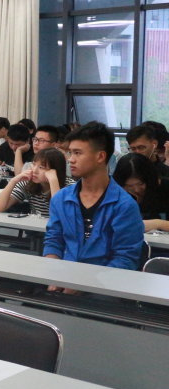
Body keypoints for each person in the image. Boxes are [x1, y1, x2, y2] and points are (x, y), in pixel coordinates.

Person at [44, 122, 145, 288]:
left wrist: (85, 284)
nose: (70, 159)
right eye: (70, 152)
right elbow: (54, 241)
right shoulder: (61, 199)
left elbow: (125, 258)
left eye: (78, 153)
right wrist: (54, 274)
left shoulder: (124, 205)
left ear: (100, 157)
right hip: (64, 278)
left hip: (106, 288)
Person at [0, 147, 68, 216]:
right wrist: (13, 181)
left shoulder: (70, 187)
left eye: (41, 167)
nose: (34, 170)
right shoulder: (28, 183)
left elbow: (60, 215)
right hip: (34, 225)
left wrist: (53, 181)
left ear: (55, 171)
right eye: (34, 164)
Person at [113, 153, 169, 231]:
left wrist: (158, 224)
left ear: (150, 179)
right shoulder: (116, 196)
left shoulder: (165, 188)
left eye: (140, 184)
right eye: (129, 186)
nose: (137, 190)